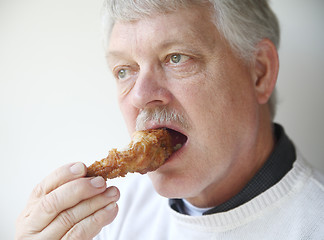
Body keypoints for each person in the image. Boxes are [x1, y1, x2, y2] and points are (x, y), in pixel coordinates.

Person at [15, 0, 324, 239]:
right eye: (125, 70)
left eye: (176, 57)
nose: (139, 96)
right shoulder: (106, 217)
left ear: (260, 72)